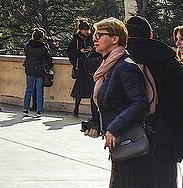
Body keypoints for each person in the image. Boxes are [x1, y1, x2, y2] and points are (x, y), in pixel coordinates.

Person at [93, 18, 155, 188]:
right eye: (94, 34)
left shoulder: (125, 66)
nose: (94, 38)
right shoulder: (110, 66)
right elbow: (114, 103)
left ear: (115, 39)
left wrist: (114, 128)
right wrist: (97, 126)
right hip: (121, 144)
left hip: (131, 145)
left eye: (100, 35)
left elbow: (140, 103)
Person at [125, 15, 183, 188]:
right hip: (164, 134)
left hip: (127, 134)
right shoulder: (169, 62)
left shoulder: (118, 61)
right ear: (151, 35)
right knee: (164, 180)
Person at [66, 20, 96, 119]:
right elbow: (70, 52)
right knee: (79, 89)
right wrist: (80, 51)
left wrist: (91, 50)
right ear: (80, 30)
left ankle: (94, 112)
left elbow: (98, 49)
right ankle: (76, 109)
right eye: (84, 30)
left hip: (91, 67)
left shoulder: (92, 38)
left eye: (87, 29)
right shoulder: (75, 39)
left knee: (93, 90)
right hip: (81, 67)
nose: (86, 32)